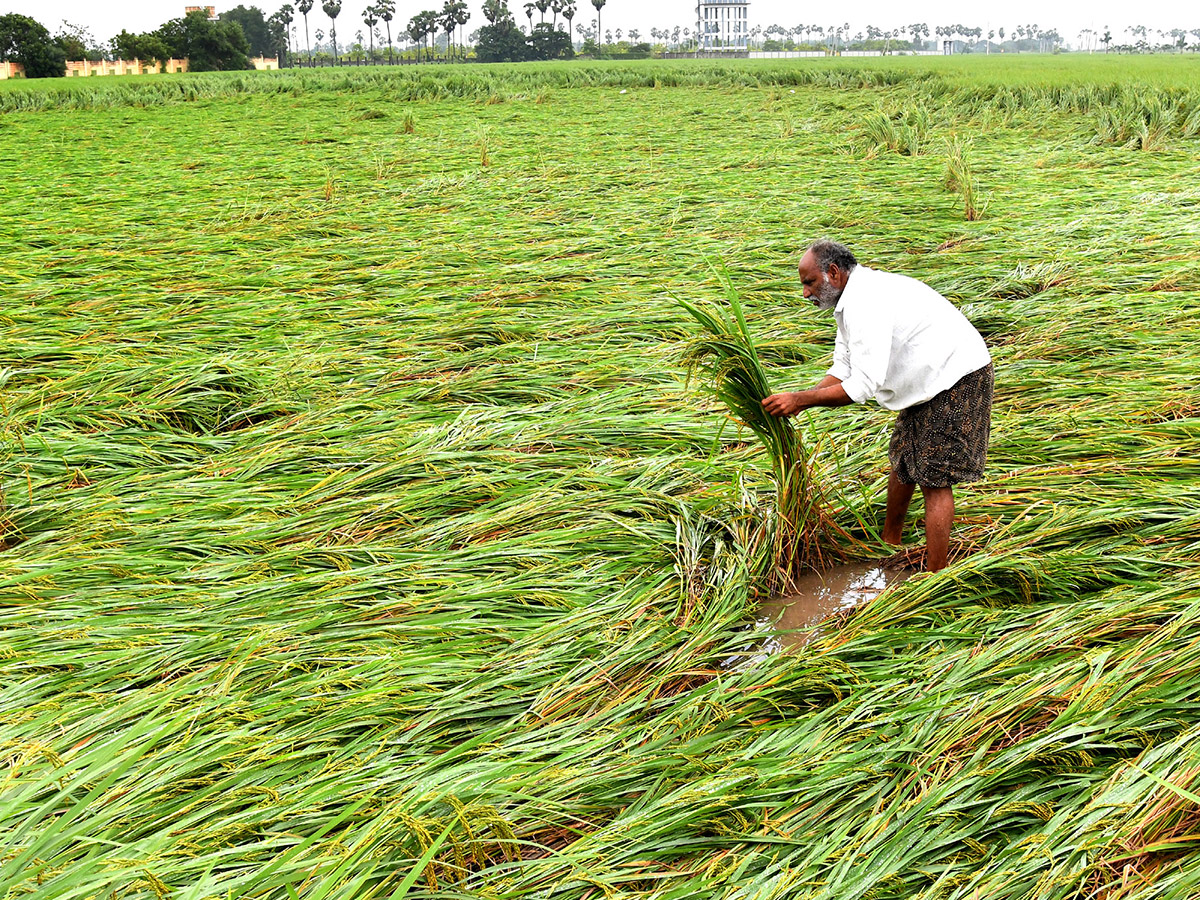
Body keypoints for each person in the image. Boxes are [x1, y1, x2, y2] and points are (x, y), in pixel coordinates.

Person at [762, 240, 993, 572]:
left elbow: (862, 385)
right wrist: (802, 401)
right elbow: (843, 367)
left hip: (956, 375)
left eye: (809, 282)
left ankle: (936, 577)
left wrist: (801, 399)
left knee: (934, 478)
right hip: (923, 379)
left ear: (833, 273)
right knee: (904, 460)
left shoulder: (866, 303)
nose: (805, 293)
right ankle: (889, 543)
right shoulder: (849, 300)